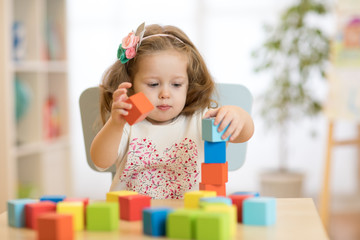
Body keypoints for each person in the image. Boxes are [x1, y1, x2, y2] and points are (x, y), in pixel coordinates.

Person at [90, 23, 254, 199]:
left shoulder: (201, 119)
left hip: (190, 215)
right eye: (153, 84)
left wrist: (238, 116)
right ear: (132, 86)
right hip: (133, 219)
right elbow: (101, 160)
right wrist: (115, 124)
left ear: (189, 85)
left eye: (176, 84)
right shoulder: (127, 124)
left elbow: (245, 134)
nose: (165, 94)